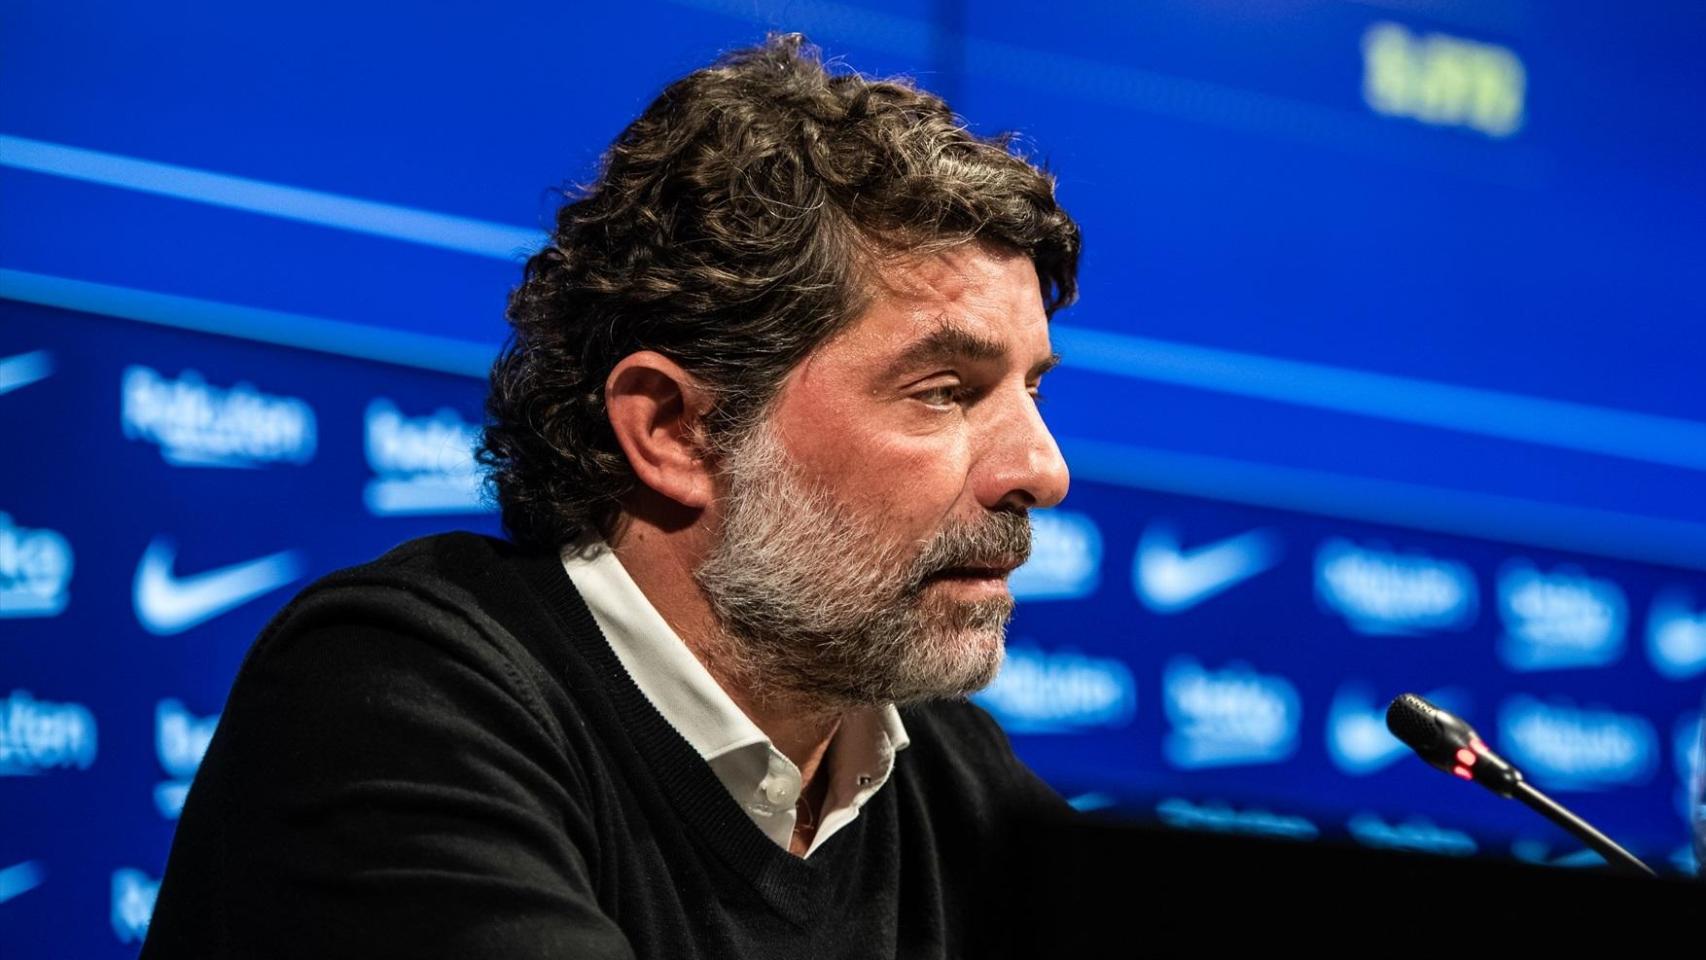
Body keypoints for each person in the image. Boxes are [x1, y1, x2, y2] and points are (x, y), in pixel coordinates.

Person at [141, 33, 1082, 959]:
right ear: (674, 430)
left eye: (1033, 390)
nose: (1043, 470)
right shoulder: (392, 701)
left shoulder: (954, 777)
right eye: (944, 391)